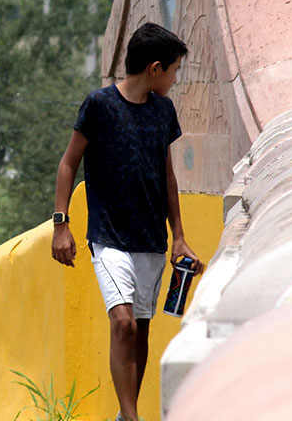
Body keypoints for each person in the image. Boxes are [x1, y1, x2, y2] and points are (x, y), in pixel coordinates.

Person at [51, 22, 204, 421]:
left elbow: (167, 176)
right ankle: (133, 418)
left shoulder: (163, 111)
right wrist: (61, 224)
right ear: (155, 68)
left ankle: (124, 415)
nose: (174, 78)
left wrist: (180, 239)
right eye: (173, 70)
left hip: (151, 240)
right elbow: (68, 164)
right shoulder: (99, 105)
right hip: (109, 239)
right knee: (122, 325)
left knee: (140, 330)